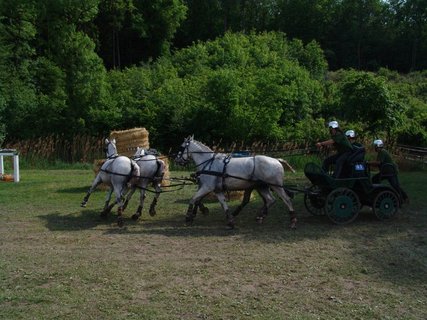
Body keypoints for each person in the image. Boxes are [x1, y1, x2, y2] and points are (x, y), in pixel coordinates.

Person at [369, 139, 409, 203]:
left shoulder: (382, 152)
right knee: (375, 179)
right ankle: (377, 194)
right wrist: (370, 165)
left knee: (395, 185)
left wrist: (368, 162)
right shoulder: (381, 152)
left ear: (377, 146)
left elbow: (379, 162)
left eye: (375, 146)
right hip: (385, 171)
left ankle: (405, 198)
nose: (374, 148)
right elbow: (378, 163)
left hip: (390, 171)